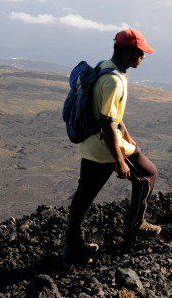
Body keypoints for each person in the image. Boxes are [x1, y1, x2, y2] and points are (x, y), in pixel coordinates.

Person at [64, 28, 162, 263]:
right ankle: (135, 225)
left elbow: (111, 116)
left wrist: (126, 134)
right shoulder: (114, 81)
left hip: (91, 144)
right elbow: (107, 122)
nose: (143, 57)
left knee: (84, 196)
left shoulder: (104, 66)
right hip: (105, 147)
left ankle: (72, 247)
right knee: (147, 174)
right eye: (139, 52)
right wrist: (119, 160)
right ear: (127, 52)